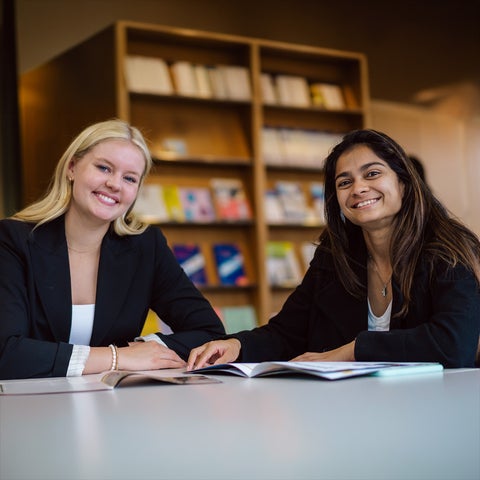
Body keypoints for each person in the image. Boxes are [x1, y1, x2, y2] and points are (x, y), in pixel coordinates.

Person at [188, 129, 480, 370]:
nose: (358, 188)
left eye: (372, 174)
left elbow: (454, 344)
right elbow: (286, 332)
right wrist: (236, 345)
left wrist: (351, 351)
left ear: (403, 184)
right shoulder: (335, 255)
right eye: (344, 182)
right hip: (350, 410)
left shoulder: (448, 249)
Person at [0, 119, 225, 379]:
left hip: (114, 406)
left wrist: (142, 350)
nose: (115, 184)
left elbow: (209, 332)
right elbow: (6, 352)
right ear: (72, 167)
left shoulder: (146, 246)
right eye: (104, 168)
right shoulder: (13, 240)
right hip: (29, 406)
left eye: (129, 178)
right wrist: (119, 357)